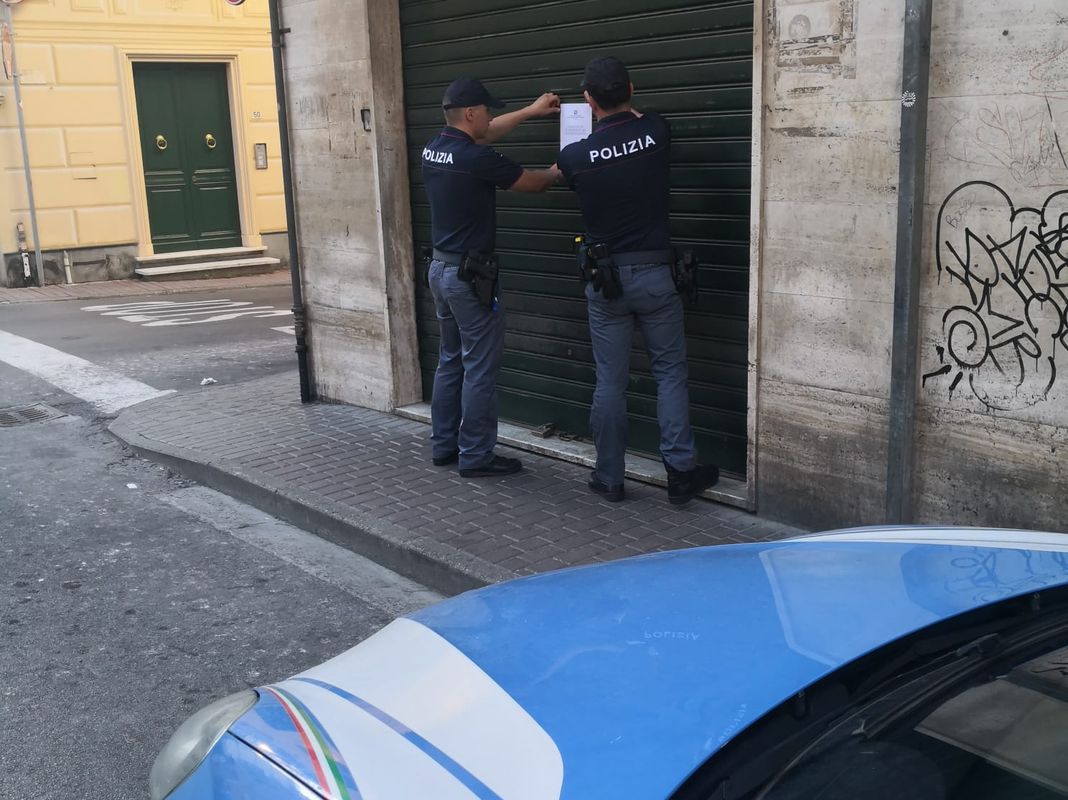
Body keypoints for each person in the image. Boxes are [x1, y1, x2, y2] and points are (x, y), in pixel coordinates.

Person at [557, 57, 719, 505]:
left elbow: (571, 173)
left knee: (610, 382)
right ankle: (682, 473)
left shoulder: (574, 157)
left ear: (588, 101)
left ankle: (609, 478)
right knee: (670, 373)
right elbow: (644, 120)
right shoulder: (656, 132)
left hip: (605, 279)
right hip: (655, 276)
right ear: (631, 88)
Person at [423, 77, 561, 478]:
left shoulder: (436, 148)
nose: (491, 117)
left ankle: (444, 446)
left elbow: (487, 133)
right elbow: (530, 184)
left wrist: (532, 112)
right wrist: (558, 170)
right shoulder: (476, 159)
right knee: (479, 367)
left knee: (451, 361)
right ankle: (477, 456)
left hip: (440, 270)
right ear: (470, 113)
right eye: (486, 110)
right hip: (469, 278)